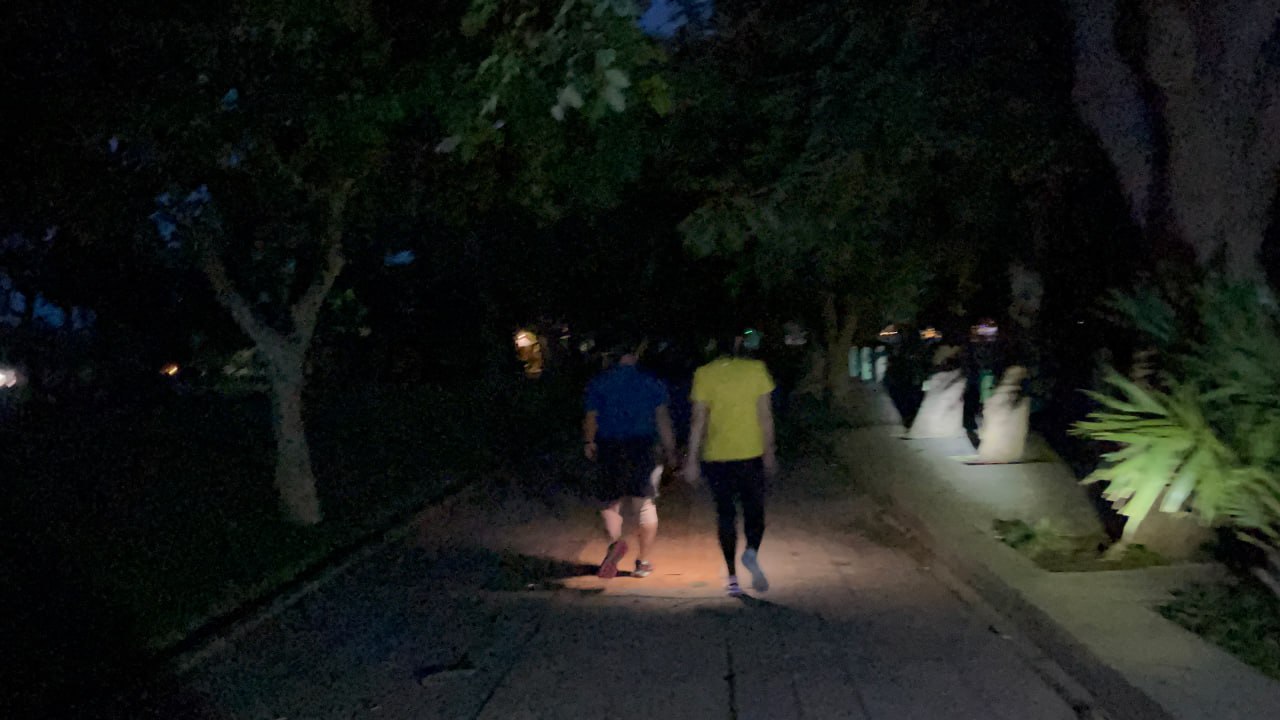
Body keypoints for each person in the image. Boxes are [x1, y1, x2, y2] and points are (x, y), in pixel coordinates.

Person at [683, 328, 777, 596]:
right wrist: (769, 452)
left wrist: (691, 460)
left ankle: (732, 576)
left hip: (717, 456)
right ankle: (751, 552)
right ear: (738, 342)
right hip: (751, 453)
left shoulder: (704, 373)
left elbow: (698, 421)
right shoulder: (756, 370)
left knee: (725, 515)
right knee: (754, 511)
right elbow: (765, 416)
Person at [583, 334, 678, 579]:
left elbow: (591, 416)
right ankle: (642, 562)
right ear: (634, 356)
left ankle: (616, 544)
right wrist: (670, 450)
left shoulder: (599, 383)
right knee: (644, 504)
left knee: (609, 503)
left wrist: (589, 441)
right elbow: (662, 419)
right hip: (643, 446)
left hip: (610, 446)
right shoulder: (651, 382)